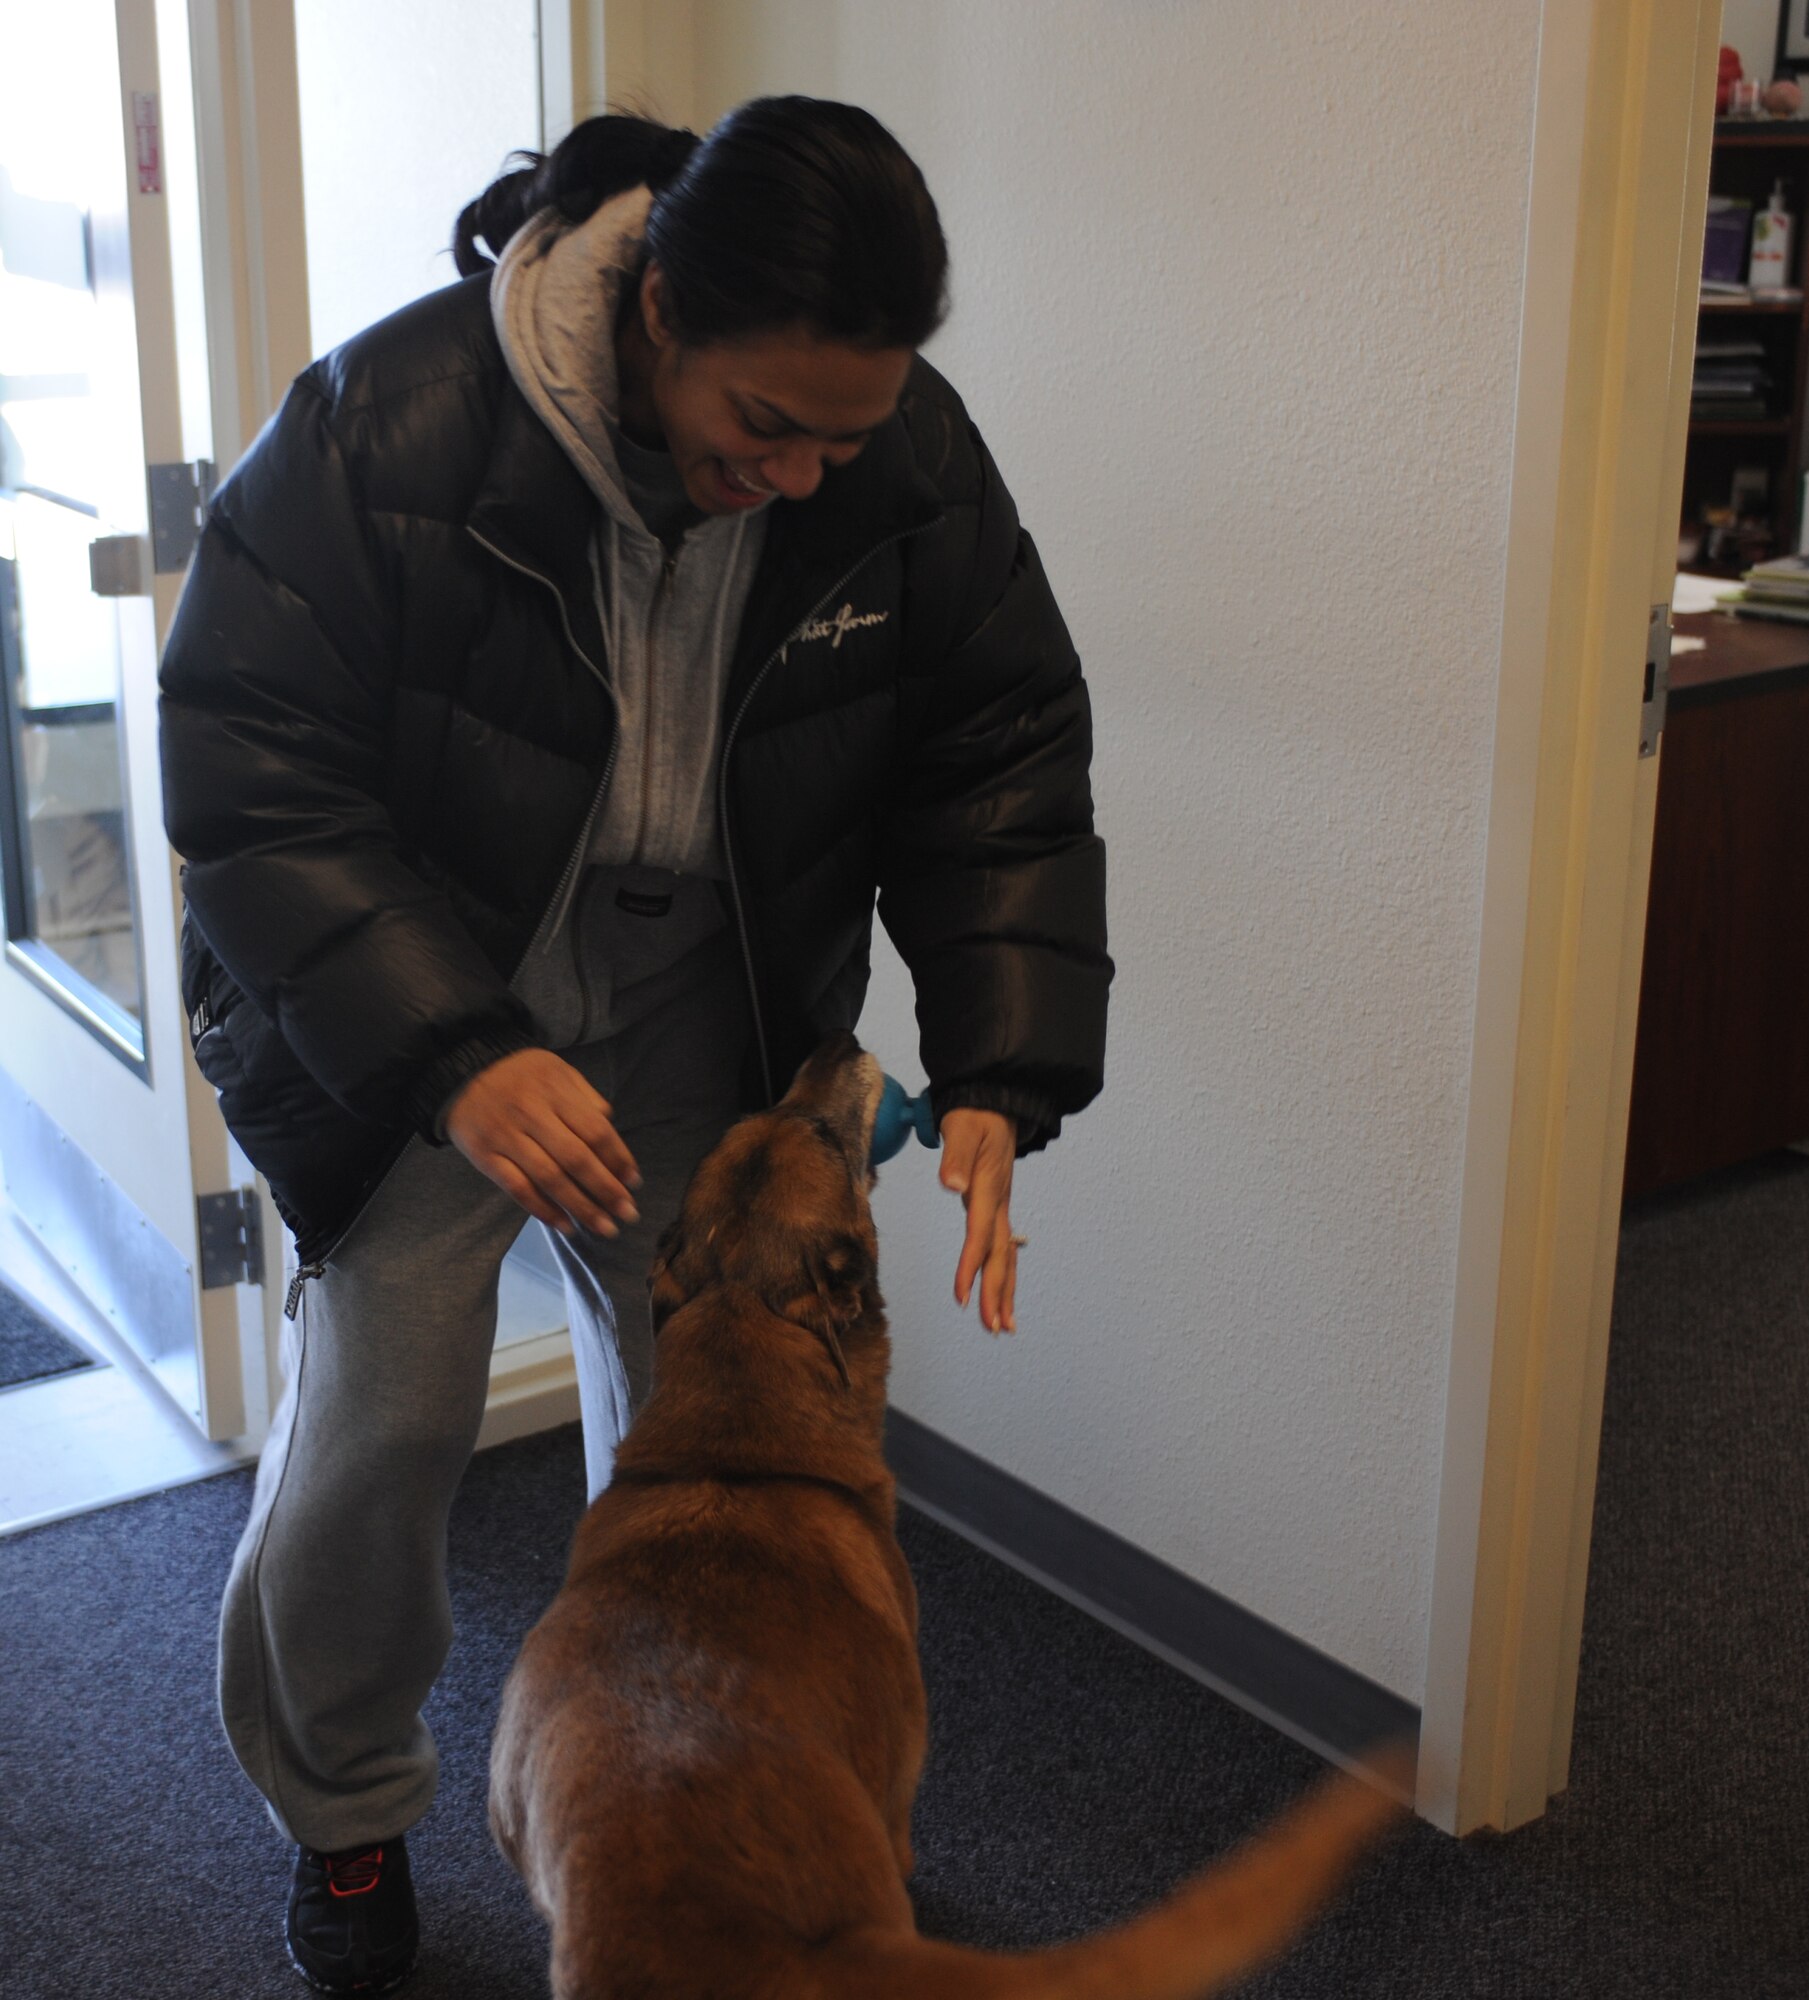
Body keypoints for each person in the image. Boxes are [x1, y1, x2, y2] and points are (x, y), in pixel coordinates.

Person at [158, 96, 1109, 1995]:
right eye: (769, 426)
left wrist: (1003, 1067)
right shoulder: (382, 429)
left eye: (845, 434)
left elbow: (995, 750)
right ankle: (348, 1811)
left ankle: (670, 1789)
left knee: (699, 1402)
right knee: (393, 1415)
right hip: (433, 985)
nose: (806, 471)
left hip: (711, 984)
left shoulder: (891, 449)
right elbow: (255, 785)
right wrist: (453, 1050)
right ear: (659, 307)